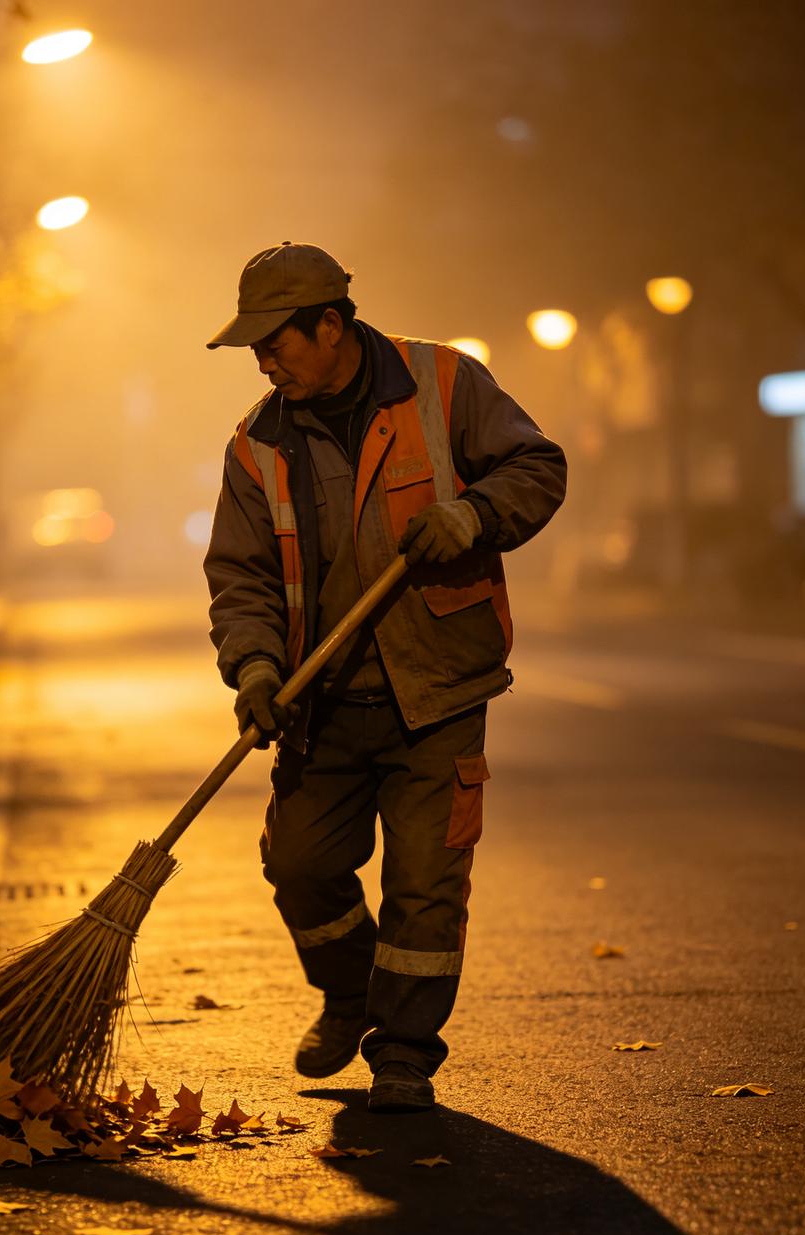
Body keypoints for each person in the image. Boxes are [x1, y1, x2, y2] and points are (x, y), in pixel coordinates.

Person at [203, 242, 567, 1112]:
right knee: (298, 865)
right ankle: (349, 992)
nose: (264, 361)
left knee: (425, 884)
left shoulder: (443, 386)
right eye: (254, 347)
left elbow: (538, 467)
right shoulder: (256, 445)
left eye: (276, 342)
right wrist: (254, 669)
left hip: (435, 689)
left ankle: (404, 1052)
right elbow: (242, 576)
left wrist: (473, 516)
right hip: (318, 704)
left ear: (332, 326)